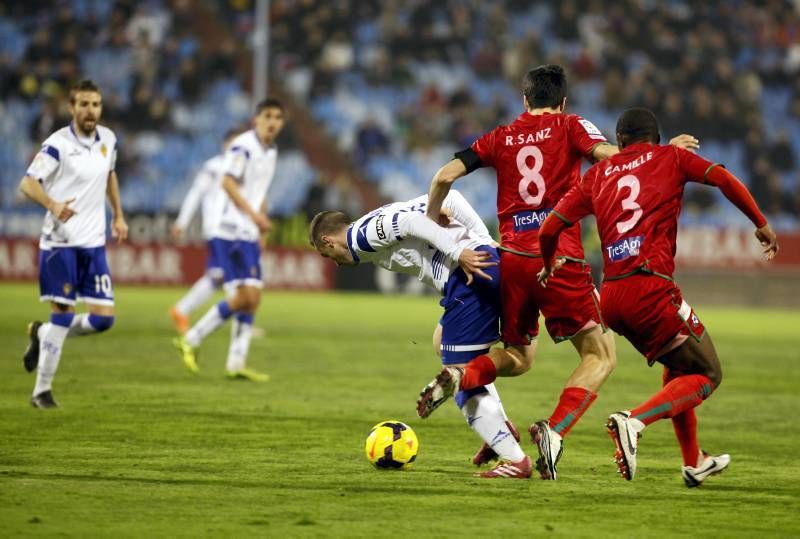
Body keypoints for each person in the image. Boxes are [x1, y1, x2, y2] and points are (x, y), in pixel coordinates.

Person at [419, 64, 699, 480]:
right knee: (600, 354)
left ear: (525, 99)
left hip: (510, 260)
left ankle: (462, 374)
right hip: (557, 260)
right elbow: (616, 159)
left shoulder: (501, 135)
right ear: (563, 101)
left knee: (518, 355)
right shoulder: (571, 127)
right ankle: (554, 430)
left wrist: (431, 220)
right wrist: (664, 155)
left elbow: (443, 175)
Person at [537, 107, 779, 487]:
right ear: (657, 136)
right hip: (650, 287)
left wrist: (550, 263)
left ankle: (693, 460)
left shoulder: (597, 175)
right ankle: (634, 422)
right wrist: (760, 222)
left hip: (612, 297)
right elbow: (724, 178)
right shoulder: (672, 156)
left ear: (619, 141)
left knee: (678, 365)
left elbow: (549, 227)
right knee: (708, 372)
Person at [309, 191, 535, 479]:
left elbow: (412, 223)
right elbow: (450, 197)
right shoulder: (375, 218)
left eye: (325, 254)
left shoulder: (361, 237)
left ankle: (515, 460)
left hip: (467, 279)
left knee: (460, 380)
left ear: (328, 241)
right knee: (441, 341)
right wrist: (483, 240)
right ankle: (499, 428)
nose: (334, 262)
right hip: (486, 264)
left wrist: (459, 252)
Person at [19, 79, 128, 408]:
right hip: (60, 243)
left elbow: (110, 175)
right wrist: (53, 205)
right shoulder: (58, 144)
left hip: (93, 243)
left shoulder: (108, 139)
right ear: (72, 108)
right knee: (63, 316)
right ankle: (41, 392)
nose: (90, 110)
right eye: (83, 104)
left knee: (103, 319)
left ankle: (42, 334)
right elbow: (28, 183)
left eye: (95, 104)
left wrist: (118, 216)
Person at [173, 98, 285, 382]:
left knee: (253, 298)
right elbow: (227, 183)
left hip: (247, 230)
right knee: (244, 296)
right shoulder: (242, 147)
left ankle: (236, 362)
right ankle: (192, 338)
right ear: (256, 119)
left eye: (277, 117)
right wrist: (253, 216)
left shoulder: (270, 151)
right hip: (228, 229)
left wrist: (260, 222)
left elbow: (258, 192)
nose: (273, 122)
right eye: (267, 116)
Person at [169, 129, 240, 334]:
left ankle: (181, 310)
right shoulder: (214, 166)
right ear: (224, 145)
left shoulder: (242, 169)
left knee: (218, 276)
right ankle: (240, 324)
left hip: (235, 230)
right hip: (218, 228)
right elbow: (196, 193)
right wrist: (182, 221)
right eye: (233, 144)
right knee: (232, 275)